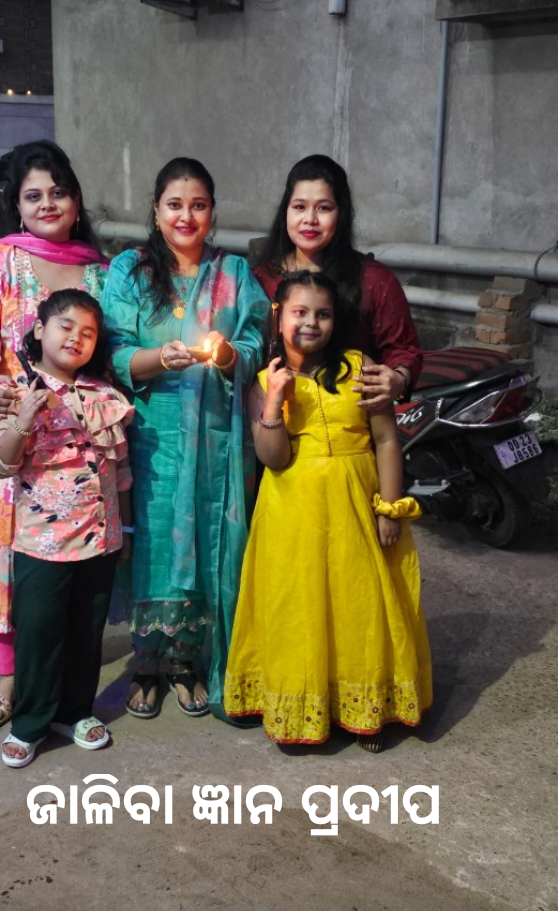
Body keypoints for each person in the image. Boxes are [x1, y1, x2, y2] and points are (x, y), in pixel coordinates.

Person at [224, 271, 432, 751]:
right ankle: (302, 708)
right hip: (291, 515)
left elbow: (386, 441)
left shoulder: (360, 368)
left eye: (323, 314)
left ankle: (366, 711)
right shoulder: (263, 381)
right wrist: (275, 402)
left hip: (356, 505)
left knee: (360, 605)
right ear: (279, 316)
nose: (311, 323)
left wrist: (389, 509)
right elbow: (274, 458)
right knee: (299, 609)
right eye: (299, 312)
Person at [0, 140, 108, 730]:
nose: (47, 204)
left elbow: (108, 349)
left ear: (76, 200)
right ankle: (8, 677)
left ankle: (59, 673)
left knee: (66, 553)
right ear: (17, 205)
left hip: (73, 442)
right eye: (33, 195)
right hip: (8, 428)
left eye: (58, 192)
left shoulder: (100, 271)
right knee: (1, 552)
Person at [101, 157, 269, 721]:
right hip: (150, 433)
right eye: (175, 204)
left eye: (198, 205)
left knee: (204, 539)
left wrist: (227, 355)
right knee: (152, 543)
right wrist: (157, 358)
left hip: (215, 435)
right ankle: (147, 663)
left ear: (212, 212)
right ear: (156, 210)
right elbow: (112, 349)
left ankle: (185, 661)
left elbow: (255, 340)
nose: (186, 216)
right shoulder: (130, 270)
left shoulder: (234, 273)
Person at [0, 289, 133, 767]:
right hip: (41, 546)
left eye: (88, 332)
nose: (76, 338)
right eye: (66, 326)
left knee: (86, 633)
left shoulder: (105, 395)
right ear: (40, 329)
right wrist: (25, 420)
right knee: (40, 635)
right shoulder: (13, 393)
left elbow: (120, 472)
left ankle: (75, 712)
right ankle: (29, 725)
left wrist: (125, 530)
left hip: (100, 539)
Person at [255, 154, 423, 411]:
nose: (310, 219)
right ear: (285, 211)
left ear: (341, 213)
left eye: (323, 208)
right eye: (299, 207)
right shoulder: (260, 278)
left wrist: (399, 379)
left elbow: (403, 350)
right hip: (275, 417)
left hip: (351, 418)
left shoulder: (374, 280)